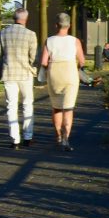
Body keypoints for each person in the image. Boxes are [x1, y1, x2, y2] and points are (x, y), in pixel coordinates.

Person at [0, 8, 37, 149]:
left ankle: (15, 139)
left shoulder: (2, 33)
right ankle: (28, 137)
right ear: (26, 19)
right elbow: (33, 57)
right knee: (27, 104)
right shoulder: (31, 34)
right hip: (25, 73)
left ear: (14, 17)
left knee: (11, 106)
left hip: (9, 73)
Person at [41, 13, 84, 152]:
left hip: (54, 73)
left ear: (56, 25)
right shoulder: (75, 41)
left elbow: (44, 62)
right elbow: (82, 61)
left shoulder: (49, 41)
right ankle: (66, 138)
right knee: (68, 108)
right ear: (69, 26)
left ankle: (58, 136)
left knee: (57, 108)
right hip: (70, 73)